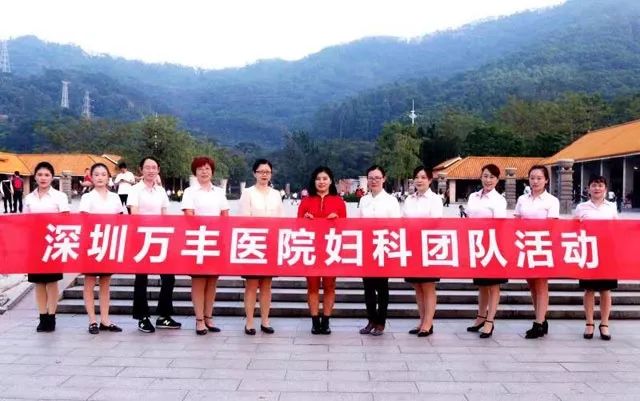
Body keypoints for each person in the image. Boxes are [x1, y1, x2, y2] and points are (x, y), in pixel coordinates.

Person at [127, 156, 181, 333]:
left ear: (158, 170)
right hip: (141, 238)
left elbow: (165, 214)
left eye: (154, 167)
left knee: (169, 277)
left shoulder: (161, 191)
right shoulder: (135, 190)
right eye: (147, 167)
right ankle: (142, 317)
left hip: (160, 238)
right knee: (141, 278)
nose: (151, 170)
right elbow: (134, 213)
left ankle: (164, 315)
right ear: (141, 170)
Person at [181, 156, 229, 335]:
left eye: (207, 168)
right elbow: (189, 215)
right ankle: (199, 319)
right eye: (200, 169)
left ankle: (209, 317)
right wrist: (206, 227)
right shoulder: (190, 192)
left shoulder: (219, 192)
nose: (204, 171)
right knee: (199, 281)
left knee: (212, 281)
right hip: (198, 241)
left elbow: (225, 215)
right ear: (195, 172)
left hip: (216, 241)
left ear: (212, 171)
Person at [297, 166, 347, 335]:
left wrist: (337, 220)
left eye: (325, 178)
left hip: (330, 250)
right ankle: (314, 320)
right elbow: (297, 226)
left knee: (329, 286)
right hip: (311, 250)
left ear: (331, 181)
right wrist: (305, 220)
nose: (321, 182)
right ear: (314, 181)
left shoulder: (339, 202)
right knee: (312, 286)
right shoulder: (306, 201)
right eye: (318, 179)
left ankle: (326, 320)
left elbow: (345, 227)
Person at [514, 165, 560, 339]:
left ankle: (539, 323)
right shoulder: (522, 199)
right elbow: (516, 221)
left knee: (541, 284)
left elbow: (552, 225)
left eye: (539, 178)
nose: (535, 181)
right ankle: (541, 318)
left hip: (542, 245)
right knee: (532, 284)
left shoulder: (551, 201)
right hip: (525, 245)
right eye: (532, 178)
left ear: (546, 180)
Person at [239, 159, 284, 335]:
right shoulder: (248, 193)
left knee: (266, 285)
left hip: (271, 243)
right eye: (261, 171)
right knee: (251, 285)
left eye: (267, 172)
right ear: (254, 173)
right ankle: (249, 322)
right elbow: (244, 218)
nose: (264, 174)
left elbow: (281, 219)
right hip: (253, 243)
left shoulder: (276, 194)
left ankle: (265, 320)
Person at [79, 163, 124, 334]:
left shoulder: (115, 198)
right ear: (91, 177)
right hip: (91, 243)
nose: (100, 177)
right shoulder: (87, 197)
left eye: (103, 174)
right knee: (90, 282)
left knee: (105, 282)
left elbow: (121, 220)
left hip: (109, 243)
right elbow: (83, 220)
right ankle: (92, 320)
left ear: (108, 177)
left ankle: (105, 320)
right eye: (96, 174)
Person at [24, 162, 70, 332]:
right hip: (35, 243)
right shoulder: (29, 198)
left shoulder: (60, 197)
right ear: (35, 177)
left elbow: (66, 219)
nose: (43, 178)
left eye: (47, 175)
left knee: (51, 282)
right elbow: (24, 221)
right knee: (38, 282)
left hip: (53, 242)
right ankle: (42, 316)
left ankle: (51, 316)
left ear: (52, 177)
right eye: (40, 175)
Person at [464, 164, 508, 339]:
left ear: (497, 180)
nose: (488, 180)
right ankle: (480, 317)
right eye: (485, 176)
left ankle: (490, 320)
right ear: (481, 177)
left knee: (493, 285)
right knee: (481, 284)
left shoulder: (499, 200)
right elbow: (468, 218)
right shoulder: (473, 197)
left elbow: (499, 224)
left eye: (492, 177)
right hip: (477, 245)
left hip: (493, 245)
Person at [358, 165, 401, 336]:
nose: (374, 181)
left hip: (384, 248)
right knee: (368, 287)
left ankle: (381, 322)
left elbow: (396, 226)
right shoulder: (364, 200)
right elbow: (359, 223)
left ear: (384, 179)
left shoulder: (391, 200)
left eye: (377, 177)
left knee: (382, 287)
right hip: (367, 248)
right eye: (371, 178)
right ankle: (371, 320)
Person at [575, 176, 617, 341]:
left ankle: (604, 324)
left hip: (607, 252)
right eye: (594, 185)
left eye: (600, 185)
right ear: (588, 188)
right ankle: (589, 322)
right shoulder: (581, 207)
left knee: (606, 290)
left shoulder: (611, 207)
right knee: (589, 289)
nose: (597, 188)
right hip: (588, 251)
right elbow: (573, 228)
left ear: (605, 189)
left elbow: (618, 228)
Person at [403, 166, 443, 337]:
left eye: (423, 177)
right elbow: (404, 220)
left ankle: (428, 323)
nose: (419, 180)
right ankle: (422, 321)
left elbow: (435, 222)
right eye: (416, 177)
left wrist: (416, 226)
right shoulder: (409, 199)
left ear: (430, 180)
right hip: (412, 246)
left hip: (429, 246)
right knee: (417, 286)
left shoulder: (435, 200)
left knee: (428, 286)